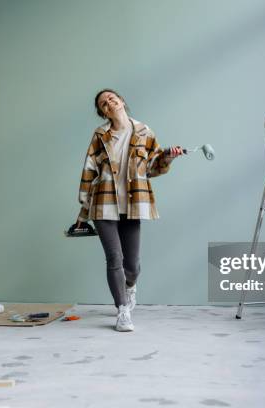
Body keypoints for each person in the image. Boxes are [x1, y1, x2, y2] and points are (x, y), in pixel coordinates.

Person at [76, 89, 183, 332]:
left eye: (112, 98)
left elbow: (153, 169)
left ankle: (130, 286)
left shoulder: (145, 132)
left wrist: (168, 156)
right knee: (114, 259)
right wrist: (83, 206)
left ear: (122, 101)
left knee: (132, 265)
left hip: (133, 205)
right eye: (103, 103)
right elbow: (89, 168)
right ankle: (122, 311)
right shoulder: (100, 135)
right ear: (102, 111)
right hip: (103, 204)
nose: (109, 103)